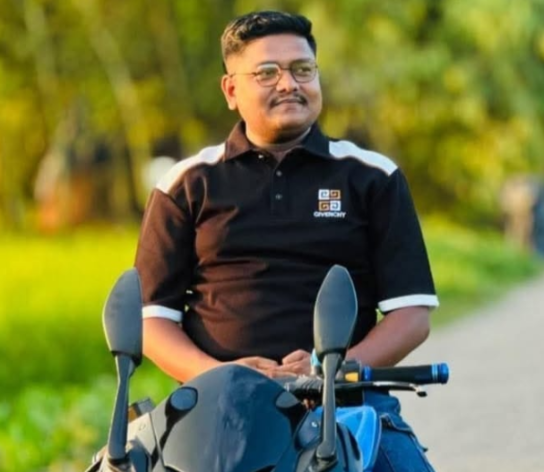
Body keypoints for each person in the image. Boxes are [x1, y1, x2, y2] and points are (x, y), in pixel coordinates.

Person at [134, 10, 439, 472]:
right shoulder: (187, 184)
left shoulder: (372, 176)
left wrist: (329, 371)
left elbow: (411, 315)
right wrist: (222, 376)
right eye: (267, 73)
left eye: (302, 70)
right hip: (214, 411)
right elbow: (152, 321)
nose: (289, 84)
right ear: (231, 90)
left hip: (347, 404)